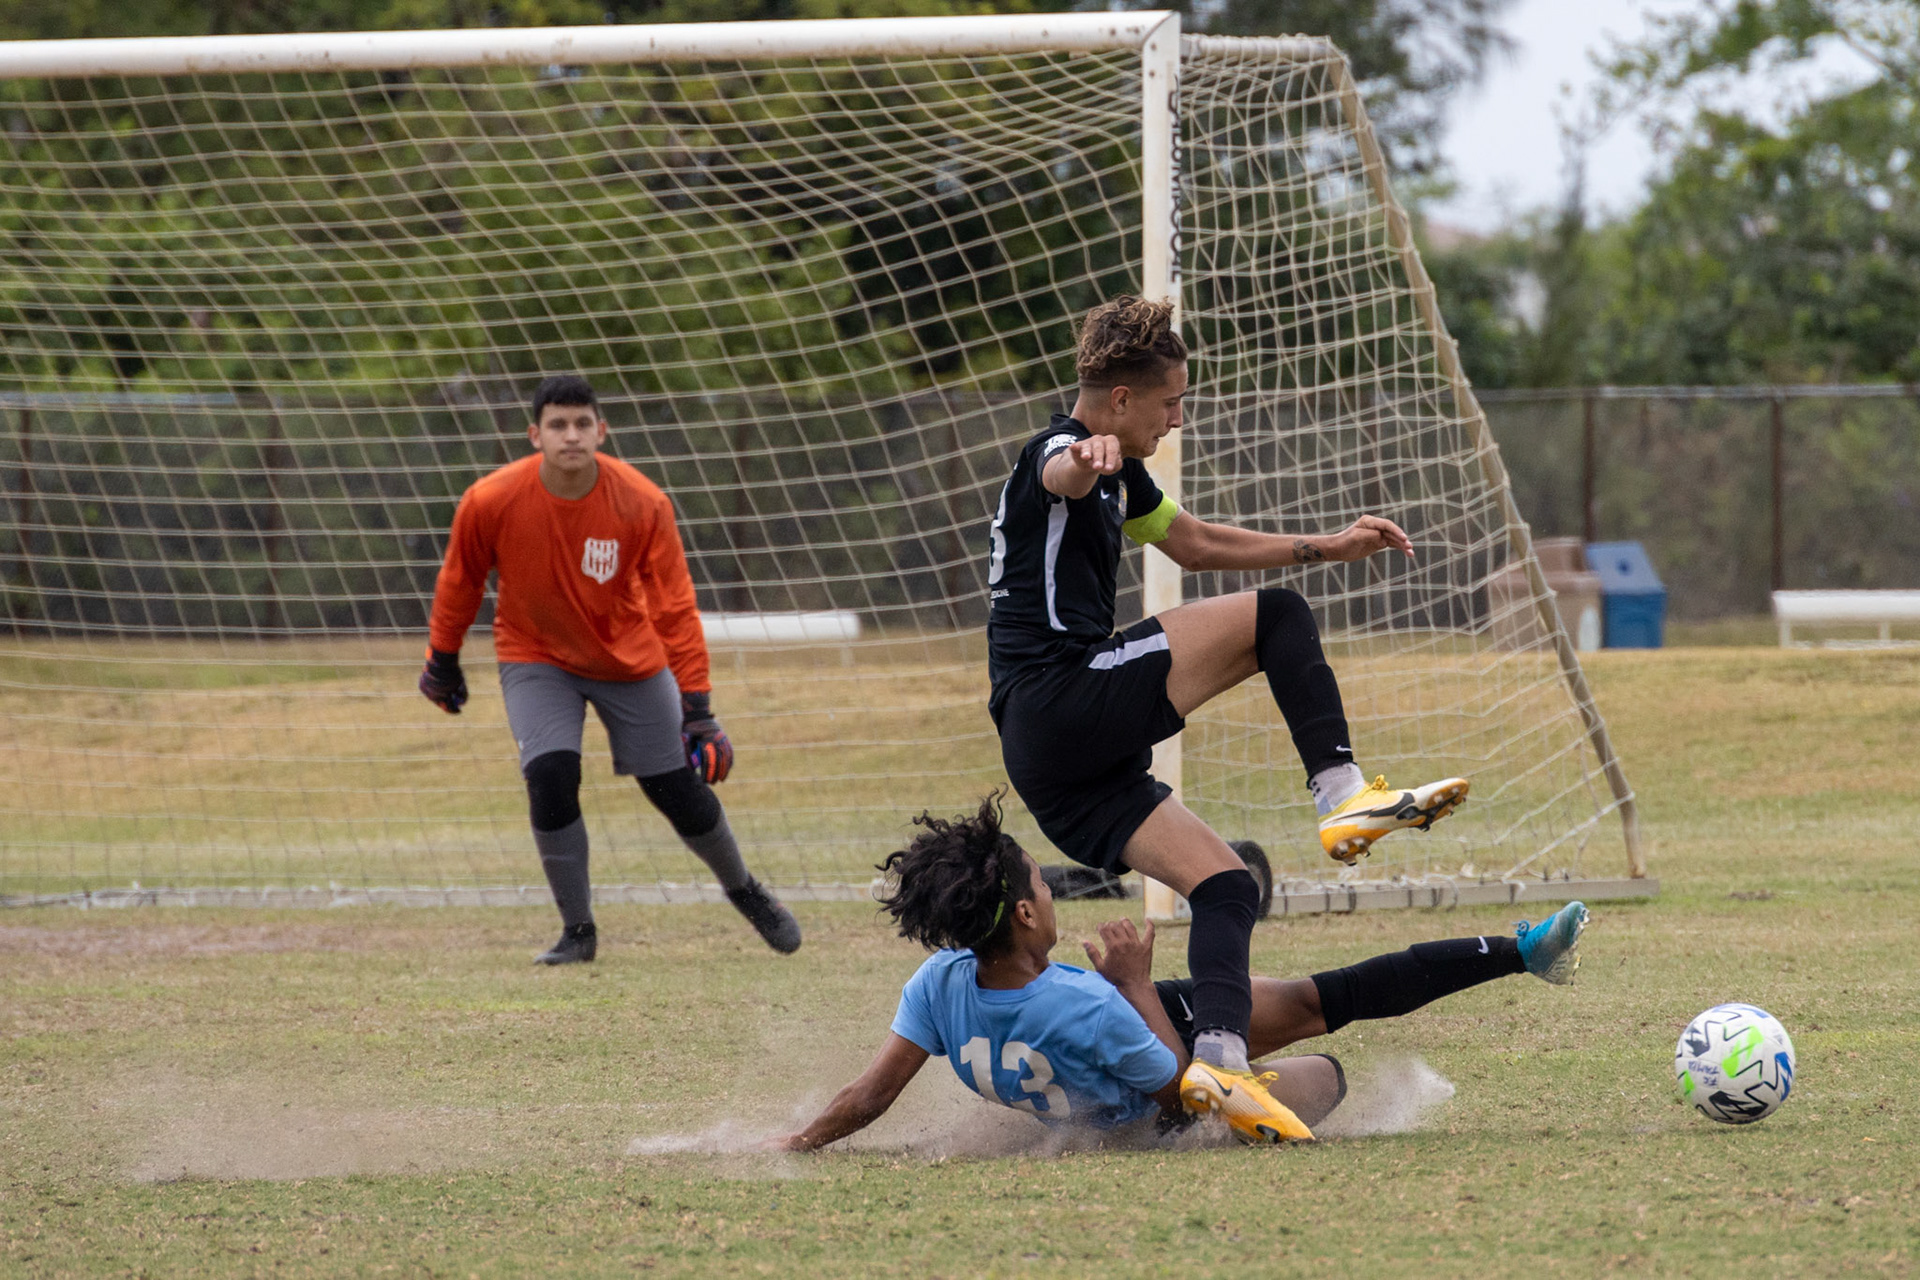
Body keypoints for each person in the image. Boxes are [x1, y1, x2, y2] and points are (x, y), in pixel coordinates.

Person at [985, 295, 1472, 1138]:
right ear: (1121, 400)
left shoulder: (1125, 475)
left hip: (1054, 762)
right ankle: (1342, 796)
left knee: (1226, 885)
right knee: (1277, 618)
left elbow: (1196, 544)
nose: (1177, 419)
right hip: (1060, 695)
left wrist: (1330, 545)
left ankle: (1218, 1061)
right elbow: (1060, 471)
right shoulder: (1057, 453)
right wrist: (1085, 458)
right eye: (1169, 403)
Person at [776, 797, 1588, 1150]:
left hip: (1118, 1042)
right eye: (1042, 885)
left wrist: (801, 1140)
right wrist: (1133, 985)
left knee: (1314, 1000)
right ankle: (1522, 954)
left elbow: (868, 1097)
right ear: (1023, 913)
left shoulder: (939, 984)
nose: (1052, 891)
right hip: (1153, 1064)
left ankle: (1521, 953)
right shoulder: (1086, 1004)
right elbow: (1184, 1091)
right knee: (1326, 1050)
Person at [419, 374, 800, 964]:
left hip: (630, 661)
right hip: (535, 657)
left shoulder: (643, 502)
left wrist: (697, 706)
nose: (570, 435)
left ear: (602, 430)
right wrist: (442, 660)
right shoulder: (489, 500)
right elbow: (459, 581)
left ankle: (746, 891)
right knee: (550, 774)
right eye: (557, 425)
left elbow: (674, 606)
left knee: (676, 790)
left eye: (581, 424)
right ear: (535, 435)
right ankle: (578, 932)